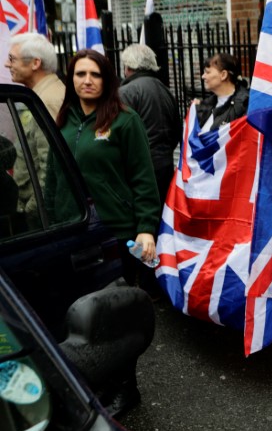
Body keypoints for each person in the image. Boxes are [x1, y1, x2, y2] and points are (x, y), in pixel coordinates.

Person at [52, 49, 161, 287]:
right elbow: (53, 176)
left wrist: (146, 228)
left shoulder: (125, 120)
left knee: (116, 308)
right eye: (80, 73)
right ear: (71, 79)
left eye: (95, 74)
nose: (87, 80)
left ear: (107, 80)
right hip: (70, 231)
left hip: (114, 233)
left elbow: (143, 178)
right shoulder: (62, 122)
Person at [4, 33, 65, 229]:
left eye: (12, 59)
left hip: (39, 217)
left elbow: (51, 166)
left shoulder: (46, 101)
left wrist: (31, 209)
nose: (7, 65)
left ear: (35, 63)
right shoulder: (39, 95)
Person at [119, 44, 182, 206]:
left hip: (139, 171)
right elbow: (177, 130)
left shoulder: (126, 92)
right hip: (165, 165)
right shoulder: (165, 90)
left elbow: (120, 134)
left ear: (128, 66)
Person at [195, 53, 249, 132]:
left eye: (207, 72)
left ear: (223, 75)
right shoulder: (207, 104)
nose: (203, 76)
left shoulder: (244, 105)